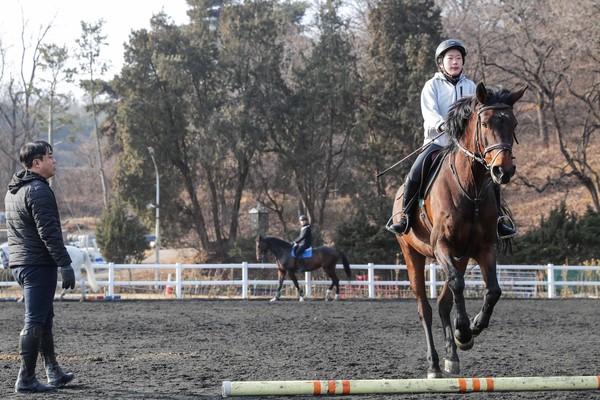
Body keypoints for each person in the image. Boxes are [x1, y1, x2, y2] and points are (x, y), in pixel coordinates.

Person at [388, 39, 517, 239]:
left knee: (491, 176)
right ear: (441, 63)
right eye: (450, 58)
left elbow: (479, 116)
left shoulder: (472, 86)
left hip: (465, 147)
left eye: (458, 58)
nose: (455, 62)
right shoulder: (431, 86)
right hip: (438, 143)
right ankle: (405, 216)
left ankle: (498, 219)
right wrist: (442, 124)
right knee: (416, 171)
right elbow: (429, 113)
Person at [4, 141, 76, 393]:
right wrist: (65, 263)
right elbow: (50, 233)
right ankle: (25, 379)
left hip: (21, 263)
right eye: (50, 156)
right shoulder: (38, 190)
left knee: (44, 318)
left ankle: (53, 371)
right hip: (37, 264)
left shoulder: (14, 190)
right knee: (34, 320)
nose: (54, 161)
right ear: (37, 162)